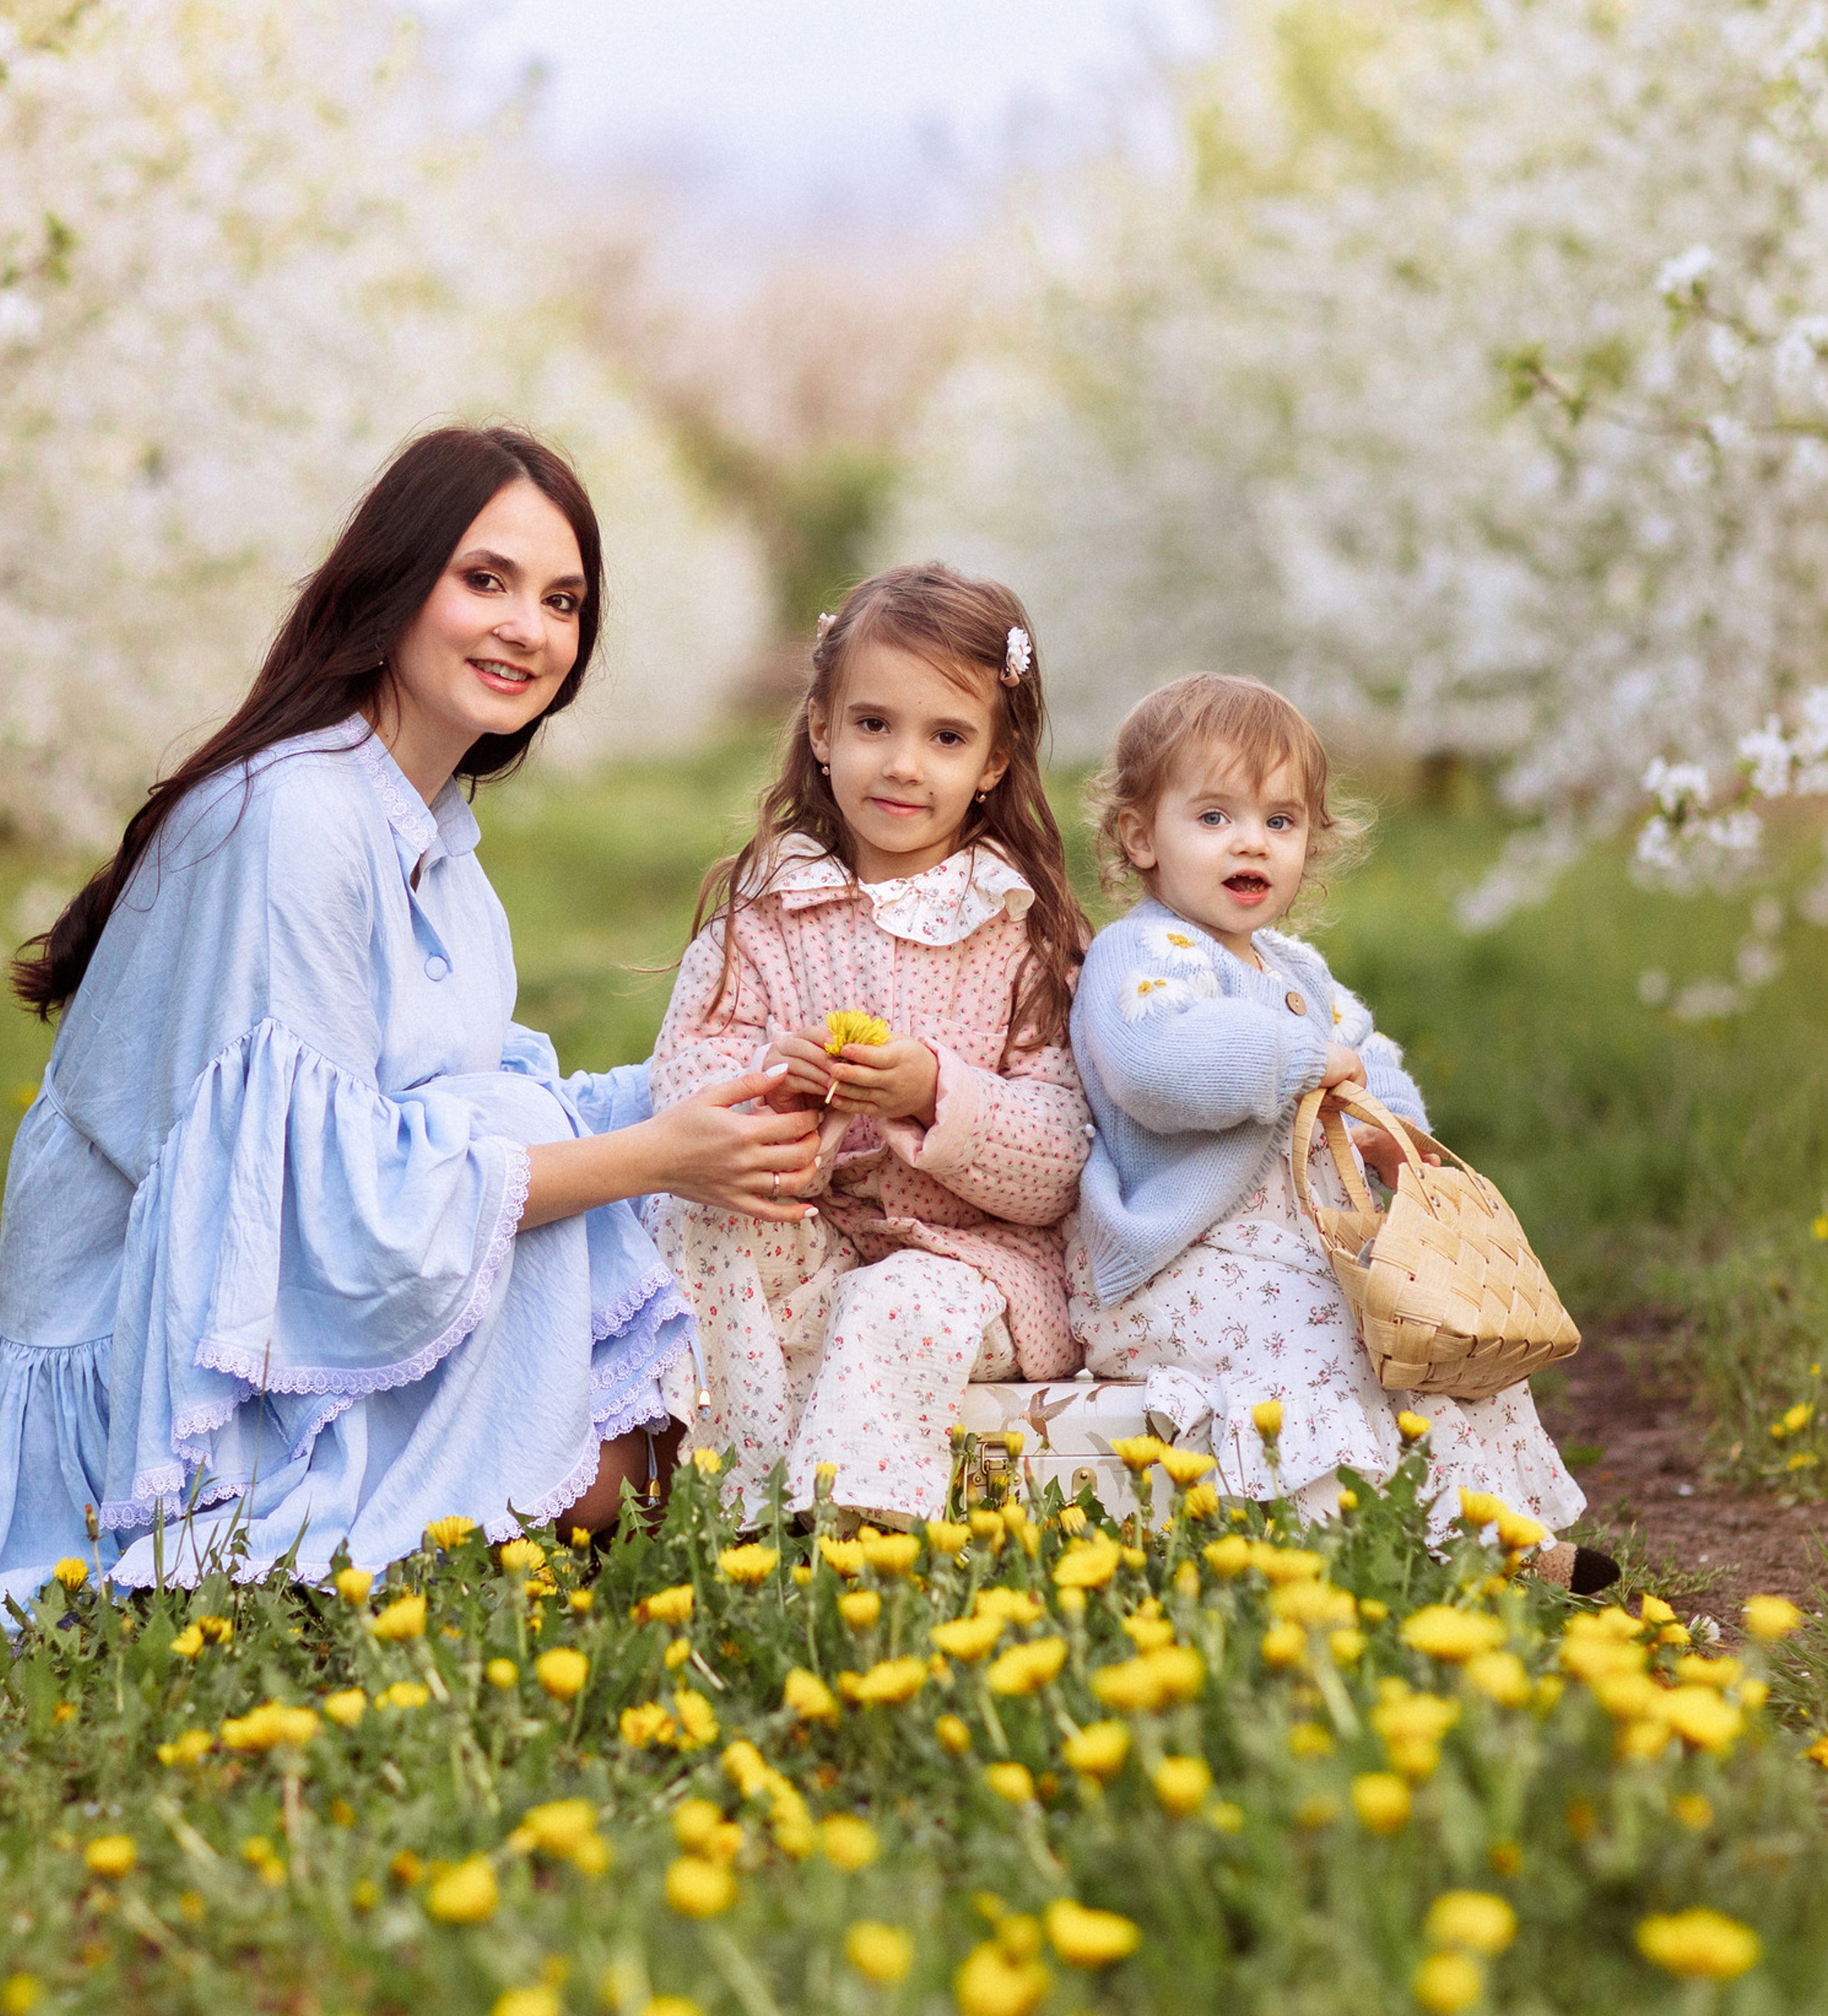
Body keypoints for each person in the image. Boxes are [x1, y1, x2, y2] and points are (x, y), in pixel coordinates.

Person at [0, 425, 819, 1664]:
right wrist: (653, 1159)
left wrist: (714, 1092)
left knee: (649, 1453)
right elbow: (319, 1199)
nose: (527, 628)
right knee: (632, 1469)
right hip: (172, 1359)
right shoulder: (296, 817)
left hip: (302, 1296)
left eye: (562, 600)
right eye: (486, 580)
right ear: (394, 582)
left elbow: (450, 1102)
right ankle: (248, 1538)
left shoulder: (434, 837)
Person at [1068, 673, 1614, 1589]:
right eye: (1213, 817)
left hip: (1295, 1248)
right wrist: (1291, 1059)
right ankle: (1343, 1538)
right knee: (1324, 1334)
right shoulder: (1142, 952)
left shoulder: (1298, 967)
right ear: (1138, 836)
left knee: (1423, 1323)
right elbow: (1155, 1063)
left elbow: (1368, 1058)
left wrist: (1391, 1136)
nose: (1251, 840)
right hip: (1182, 1264)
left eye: (1279, 822)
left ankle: (1493, 1531)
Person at [645, 564, 1093, 1523]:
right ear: (820, 730)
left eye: (946, 737)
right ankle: (747, 1502)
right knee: (704, 1222)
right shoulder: (768, 909)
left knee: (893, 1308)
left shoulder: (1019, 929)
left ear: (994, 762)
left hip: (965, 1261)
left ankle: (855, 1528)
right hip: (810, 1237)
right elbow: (682, 1074)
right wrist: (777, 1089)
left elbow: (1063, 1156)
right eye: (873, 725)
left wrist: (936, 1092)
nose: (902, 764)